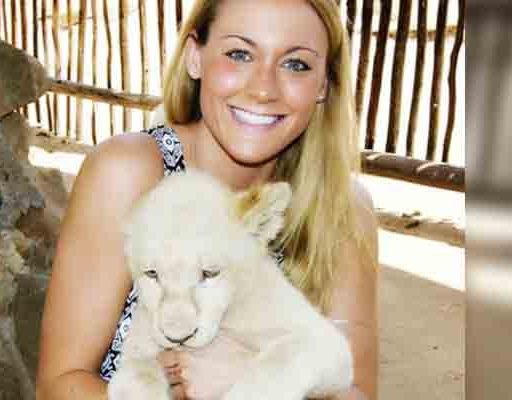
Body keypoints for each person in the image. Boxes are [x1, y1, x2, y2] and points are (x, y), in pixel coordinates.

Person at [35, 0, 379, 399]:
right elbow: (57, 386)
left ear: (323, 84)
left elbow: (358, 393)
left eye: (296, 64)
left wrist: (252, 380)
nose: (264, 88)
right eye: (239, 54)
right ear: (195, 58)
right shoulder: (131, 171)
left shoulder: (343, 207)